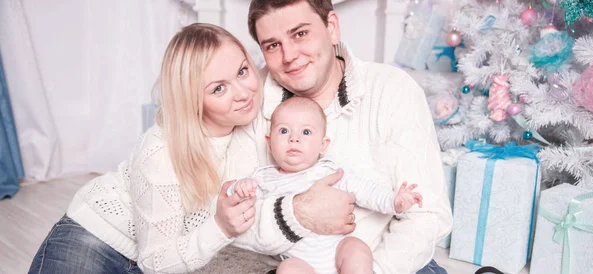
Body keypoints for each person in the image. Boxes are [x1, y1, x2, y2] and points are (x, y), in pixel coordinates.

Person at [28, 23, 268, 273]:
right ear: (193, 100)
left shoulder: (253, 118)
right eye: (219, 88)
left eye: (242, 71)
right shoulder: (161, 151)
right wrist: (220, 227)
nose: (243, 93)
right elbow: (155, 263)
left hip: (158, 255)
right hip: (94, 239)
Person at [242, 1, 453, 273]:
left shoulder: (393, 89)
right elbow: (229, 223)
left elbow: (425, 215)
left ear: (331, 27)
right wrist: (296, 212)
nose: (289, 56)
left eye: (300, 34)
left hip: (384, 264)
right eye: (272, 45)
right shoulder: (250, 101)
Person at [231, 96, 423, 274]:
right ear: (270, 143)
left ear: (323, 145)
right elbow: (242, 209)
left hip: (336, 253)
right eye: (283, 131)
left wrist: (393, 201)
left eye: (306, 132)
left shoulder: (329, 171)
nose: (294, 138)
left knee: (356, 248)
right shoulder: (264, 178)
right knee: (287, 268)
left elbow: (364, 190)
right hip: (300, 261)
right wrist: (240, 188)